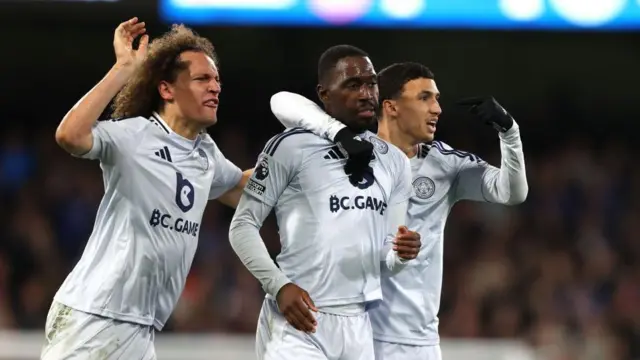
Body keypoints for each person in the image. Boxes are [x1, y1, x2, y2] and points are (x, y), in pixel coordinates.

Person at [271, 62, 528, 360]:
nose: (437, 109)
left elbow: (512, 192)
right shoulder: (349, 152)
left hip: (416, 343)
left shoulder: (446, 164)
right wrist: (336, 132)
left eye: (437, 98)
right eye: (425, 98)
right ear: (391, 107)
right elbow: (280, 102)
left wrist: (509, 132)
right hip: (352, 332)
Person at [44, 19, 251, 359]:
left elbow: (244, 190)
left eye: (216, 79)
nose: (215, 87)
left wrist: (298, 155)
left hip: (142, 327)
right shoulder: (133, 136)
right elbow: (70, 135)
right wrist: (123, 68)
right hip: (95, 318)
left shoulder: (205, 154)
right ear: (166, 89)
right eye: (202, 79)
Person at [228, 45, 422, 360]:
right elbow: (242, 227)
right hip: (298, 319)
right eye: (352, 84)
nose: (366, 93)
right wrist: (278, 285)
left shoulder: (395, 162)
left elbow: (388, 259)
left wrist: (402, 254)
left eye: (371, 83)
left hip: (358, 326)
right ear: (324, 94)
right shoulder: (291, 147)